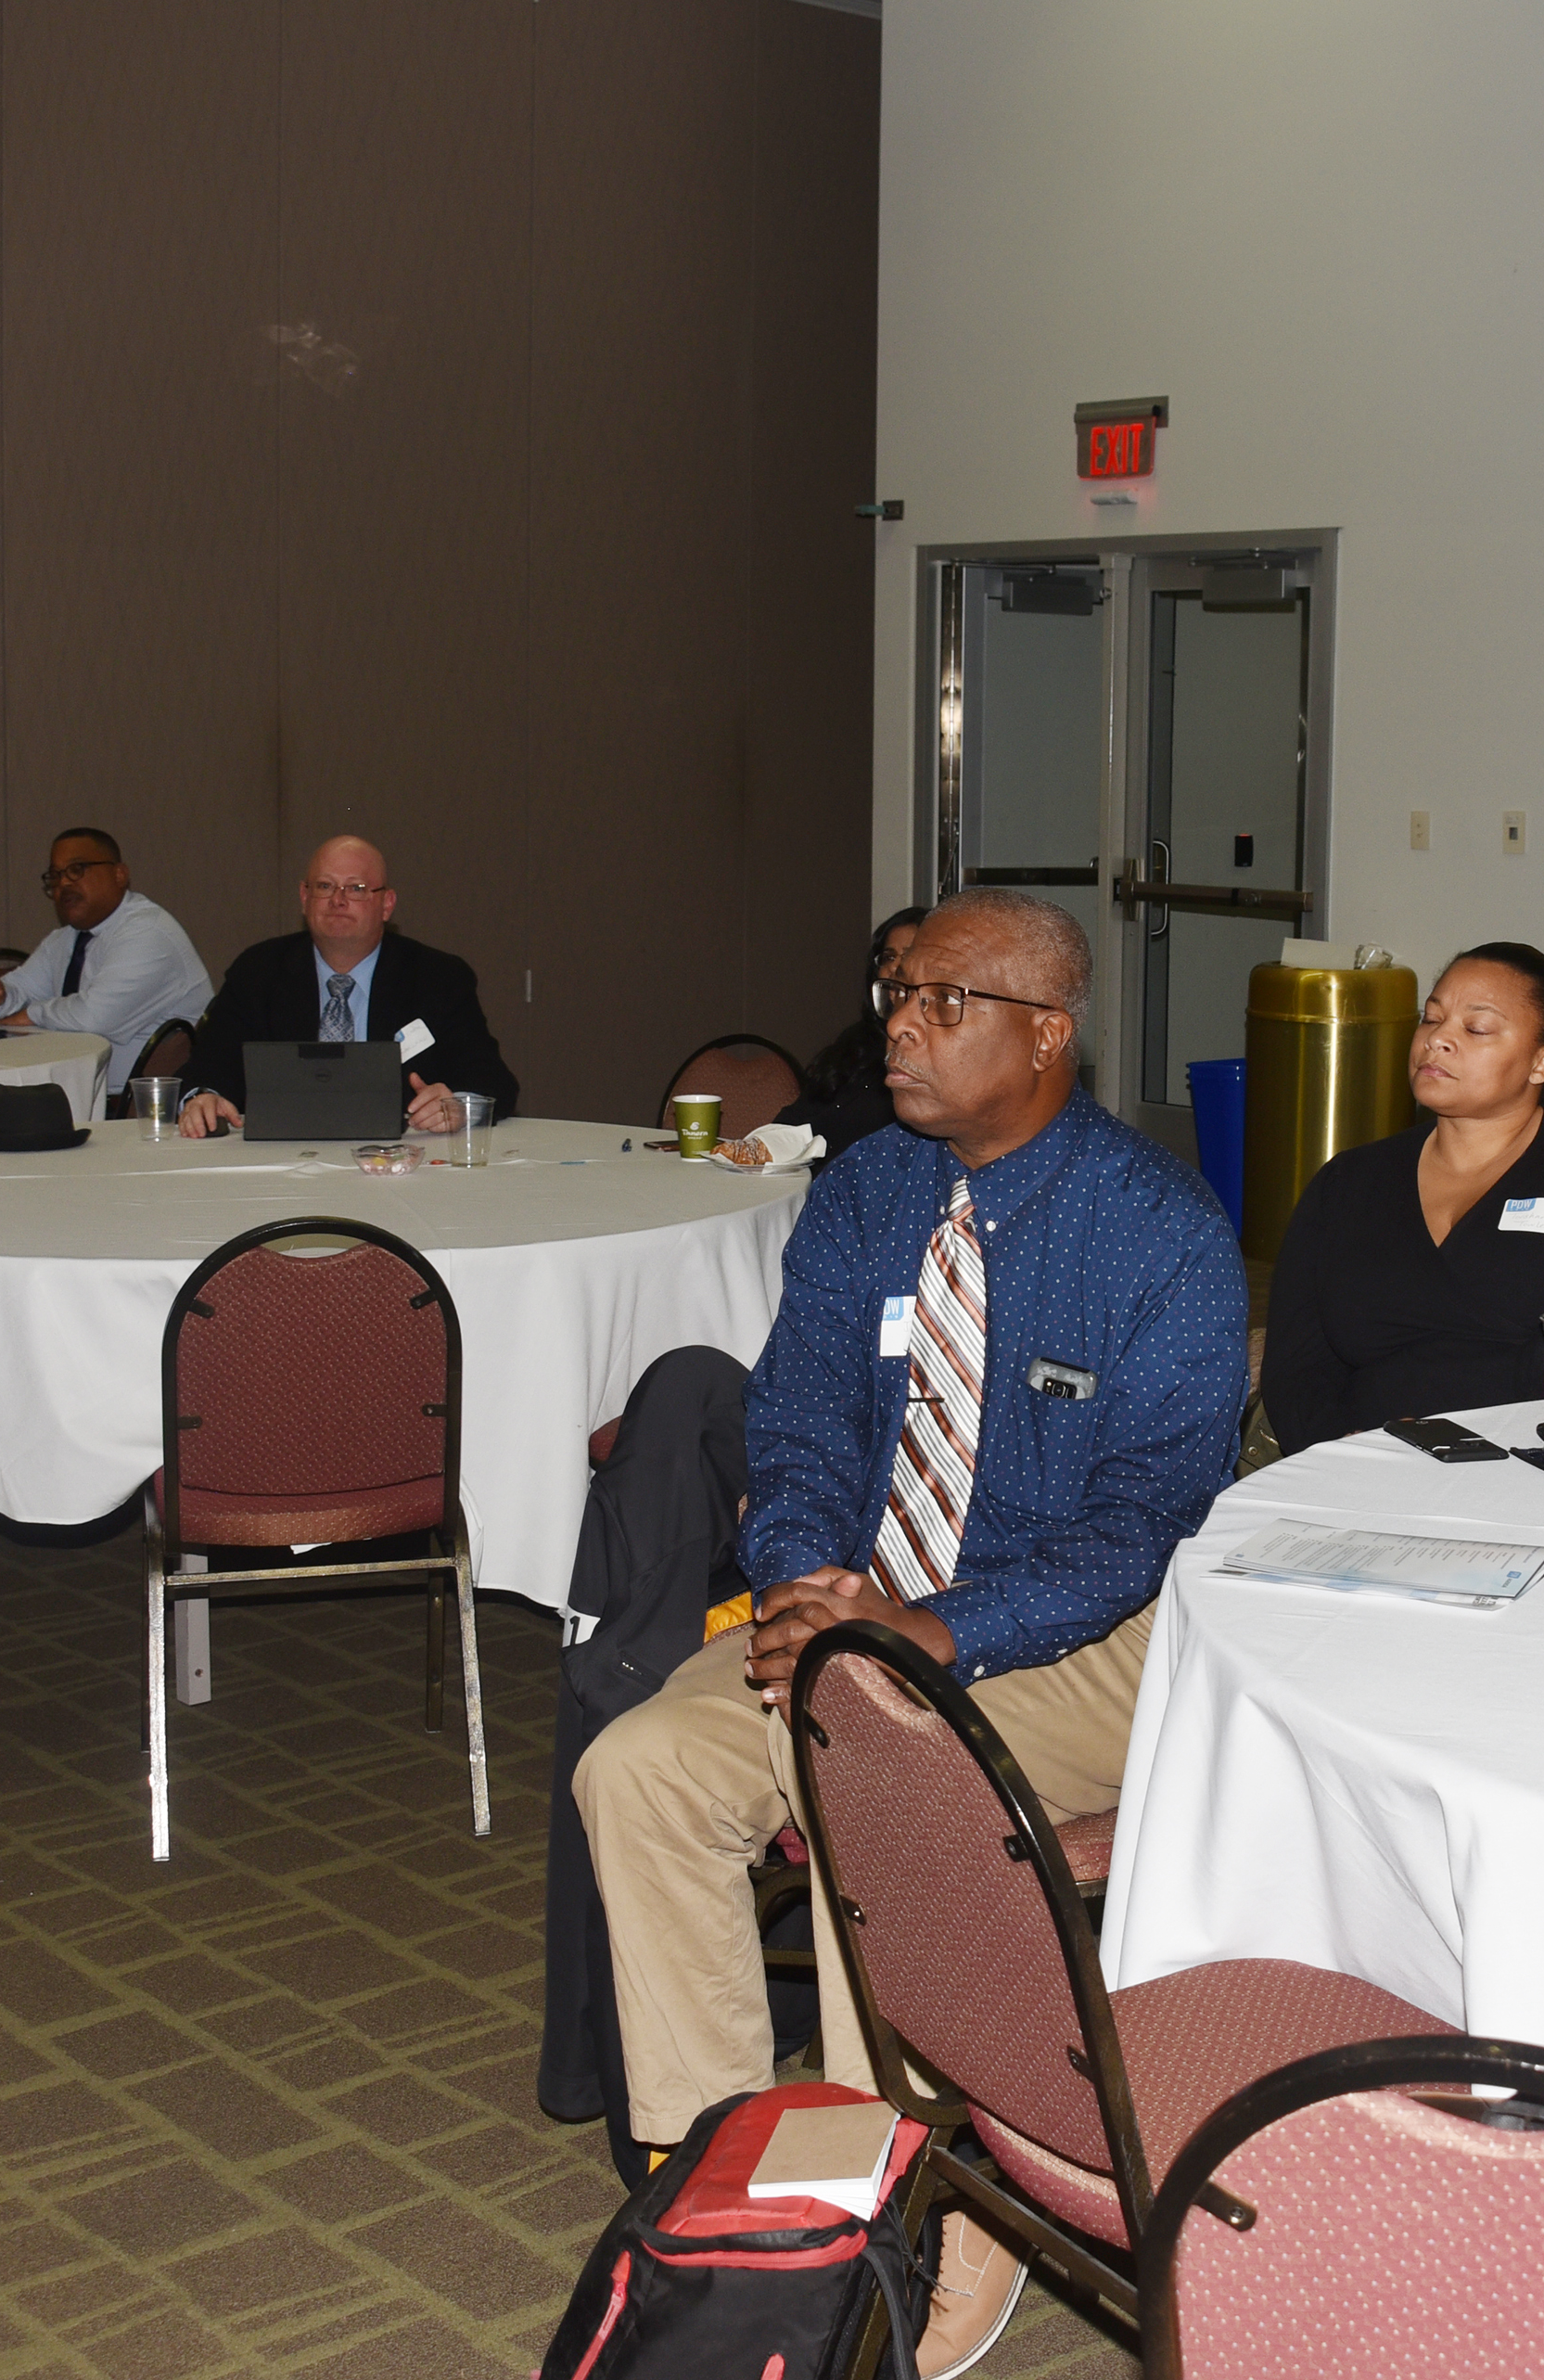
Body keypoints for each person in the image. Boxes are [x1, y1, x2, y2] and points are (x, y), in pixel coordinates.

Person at [568, 889, 1247, 2374]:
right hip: (854, 1607)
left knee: (859, 1768)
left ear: (1048, 1032)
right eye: (894, 994)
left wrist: (932, 1629)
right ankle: (732, 2193)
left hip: (1079, 1632)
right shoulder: (870, 1188)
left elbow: (1146, 1523)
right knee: (638, 1770)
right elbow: (800, 1406)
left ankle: (936, 2205)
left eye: (944, 1001)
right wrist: (813, 1574)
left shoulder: (1163, 1234)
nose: (900, 1026)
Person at [1260, 940, 1544, 1452]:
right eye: (1431, 1020)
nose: (1438, 1042)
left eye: (1475, 1028)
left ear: (1542, 1064)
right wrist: (1337, 1454)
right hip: (1372, 1462)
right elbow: (1297, 1367)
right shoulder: (1349, 1183)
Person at [174, 834, 517, 1133]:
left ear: (387, 904)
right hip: (282, 1163)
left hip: (400, 1162)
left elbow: (492, 1080)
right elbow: (207, 1067)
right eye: (325, 886)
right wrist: (205, 1099)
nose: (338, 900)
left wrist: (457, 1106)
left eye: (357, 889)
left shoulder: (437, 976)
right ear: (304, 897)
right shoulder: (259, 971)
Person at [0, 826, 214, 1096]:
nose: (64, 884)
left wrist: (32, 1014)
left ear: (119, 875)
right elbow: (20, 990)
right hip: (82, 1093)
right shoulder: (67, 938)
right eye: (56, 876)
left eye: (77, 869)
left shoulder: (149, 932)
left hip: (143, 1107)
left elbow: (94, 1018)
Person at [796, 902, 929, 1158]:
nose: (895, 967)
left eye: (909, 954)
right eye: (889, 957)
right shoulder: (855, 1041)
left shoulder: (932, 1051)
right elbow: (797, 1117)